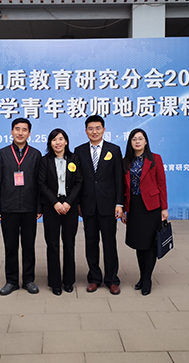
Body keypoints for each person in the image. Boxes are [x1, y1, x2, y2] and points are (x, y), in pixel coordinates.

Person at [0, 118, 42, 296]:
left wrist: (39, 207)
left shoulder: (35, 154)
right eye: (17, 129)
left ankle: (29, 280)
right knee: (10, 246)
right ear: (12, 131)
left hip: (29, 208)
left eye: (24, 130)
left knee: (29, 246)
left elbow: (40, 183)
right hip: (8, 207)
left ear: (29, 133)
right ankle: (11, 281)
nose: (20, 133)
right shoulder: (3, 153)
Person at [74, 115, 124, 295]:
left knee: (110, 243)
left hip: (108, 205)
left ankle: (112, 279)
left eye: (97, 128)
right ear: (85, 131)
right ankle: (94, 278)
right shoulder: (79, 151)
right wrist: (78, 203)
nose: (94, 131)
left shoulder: (114, 150)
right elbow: (77, 180)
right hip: (87, 205)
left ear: (104, 130)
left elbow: (119, 178)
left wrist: (119, 204)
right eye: (90, 128)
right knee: (91, 243)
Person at [121, 129, 168, 296]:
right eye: (134, 139)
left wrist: (164, 207)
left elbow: (161, 184)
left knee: (149, 245)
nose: (137, 142)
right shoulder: (125, 161)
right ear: (130, 142)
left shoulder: (155, 159)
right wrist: (123, 209)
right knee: (139, 245)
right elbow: (122, 187)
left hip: (151, 207)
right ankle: (142, 276)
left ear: (146, 141)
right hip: (134, 207)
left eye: (140, 138)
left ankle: (147, 279)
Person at [38, 129, 83, 296]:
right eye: (54, 140)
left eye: (60, 139)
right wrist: (55, 203)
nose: (57, 142)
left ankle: (69, 281)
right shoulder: (44, 161)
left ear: (66, 142)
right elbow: (41, 184)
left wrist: (69, 202)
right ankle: (55, 282)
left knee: (69, 244)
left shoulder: (74, 159)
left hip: (70, 207)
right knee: (52, 245)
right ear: (50, 143)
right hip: (51, 207)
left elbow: (79, 182)